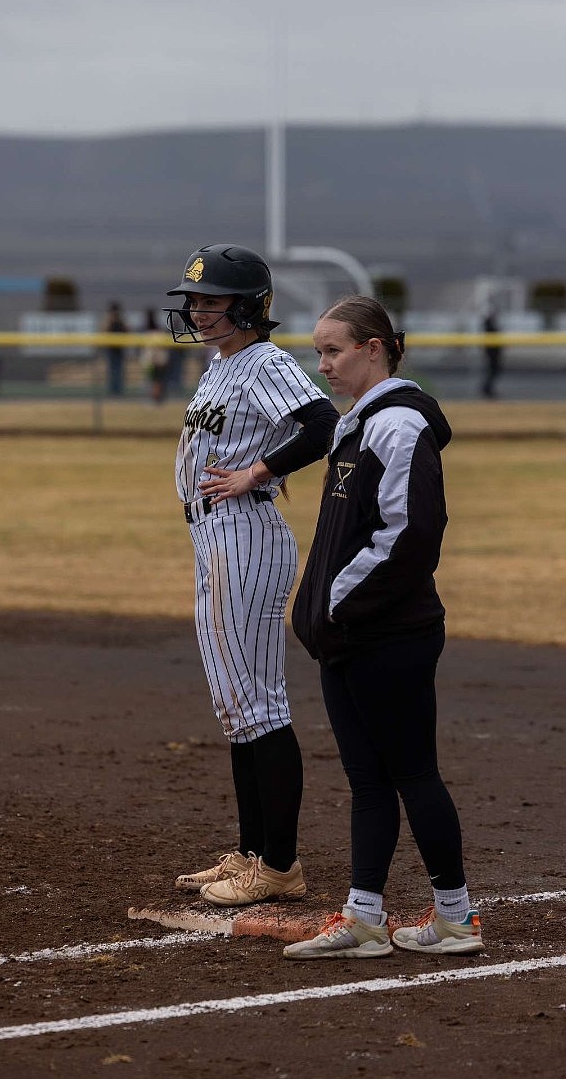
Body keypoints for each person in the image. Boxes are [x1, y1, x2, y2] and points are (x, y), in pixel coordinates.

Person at [284, 295, 483, 960]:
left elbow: (410, 536)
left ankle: (456, 917)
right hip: (349, 636)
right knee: (369, 784)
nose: (323, 365)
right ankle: (364, 918)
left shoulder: (397, 427)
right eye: (317, 352)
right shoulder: (356, 425)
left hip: (388, 635)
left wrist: (335, 604)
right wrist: (321, 613)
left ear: (375, 349)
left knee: (413, 775)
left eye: (333, 350)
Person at [164, 243, 339, 907]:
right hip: (214, 535)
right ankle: (250, 854)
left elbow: (322, 422)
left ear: (248, 307)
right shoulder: (223, 364)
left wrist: (260, 473)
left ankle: (281, 866)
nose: (200, 311)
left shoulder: (264, 360)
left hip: (244, 537)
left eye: (212, 301)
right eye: (196, 301)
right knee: (237, 710)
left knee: (260, 707)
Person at [141, 308, 170, 404]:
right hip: (155, 361)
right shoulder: (155, 331)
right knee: (155, 381)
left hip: (155, 361)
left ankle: (156, 399)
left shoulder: (151, 331)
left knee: (155, 381)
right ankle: (155, 398)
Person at [103, 301, 128, 396]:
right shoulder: (108, 320)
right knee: (111, 371)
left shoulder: (121, 321)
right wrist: (110, 319)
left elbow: (127, 331)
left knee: (120, 371)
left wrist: (120, 320)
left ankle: (119, 390)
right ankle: (112, 390)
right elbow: (104, 331)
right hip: (111, 350)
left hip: (120, 349)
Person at [481, 302, 503, 398]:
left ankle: (488, 389)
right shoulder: (488, 324)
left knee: (494, 371)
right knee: (493, 370)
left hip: (494, 352)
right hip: (492, 352)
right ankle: (487, 389)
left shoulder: (490, 324)